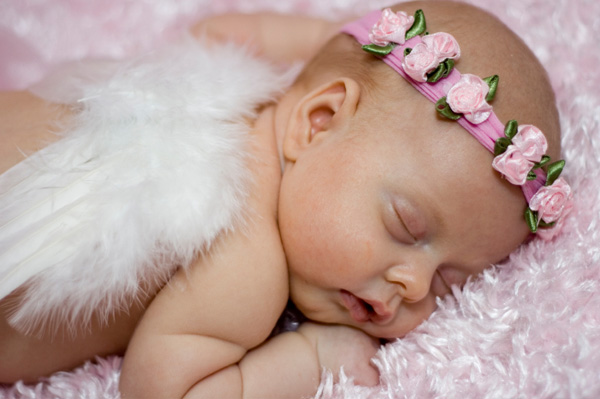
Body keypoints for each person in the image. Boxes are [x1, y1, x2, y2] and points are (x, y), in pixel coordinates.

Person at [0, 1, 572, 397]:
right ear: (317, 122)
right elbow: (162, 390)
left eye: (450, 280)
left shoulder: (228, 82)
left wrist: (340, 40)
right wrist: (314, 359)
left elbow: (223, 27)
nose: (415, 286)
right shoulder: (247, 258)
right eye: (404, 225)